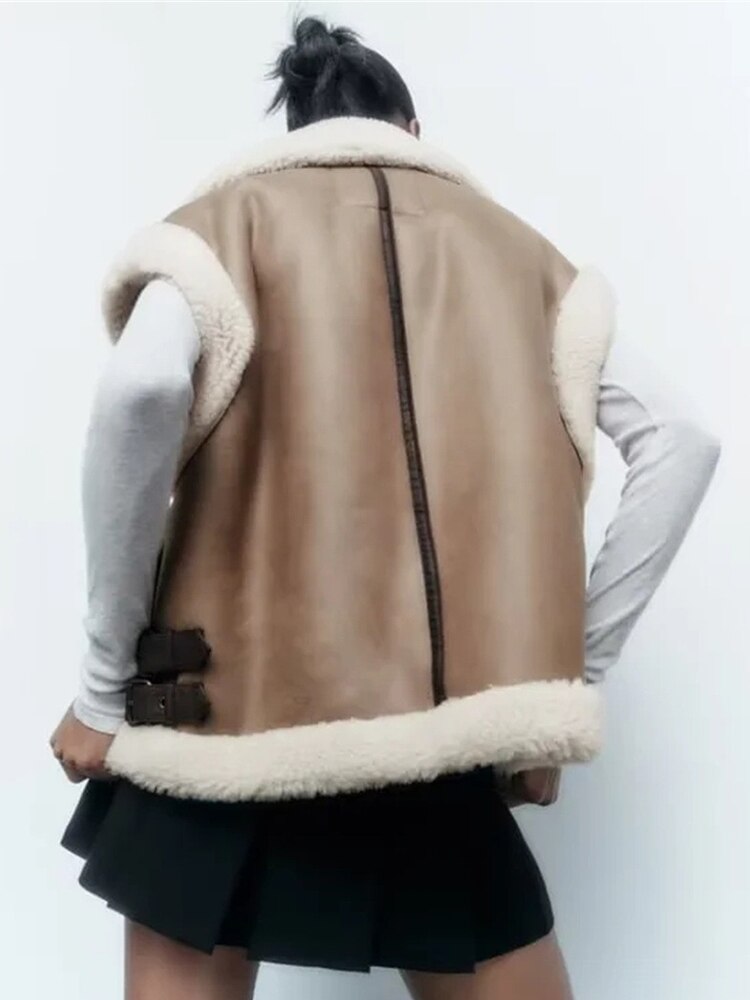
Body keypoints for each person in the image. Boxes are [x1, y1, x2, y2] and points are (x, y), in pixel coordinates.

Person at [50, 15, 720, 1000]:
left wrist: (103, 689)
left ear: (298, 132)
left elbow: (140, 390)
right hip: (433, 739)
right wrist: (554, 692)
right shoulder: (525, 259)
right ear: (411, 130)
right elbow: (682, 440)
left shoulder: (216, 231)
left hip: (215, 730)